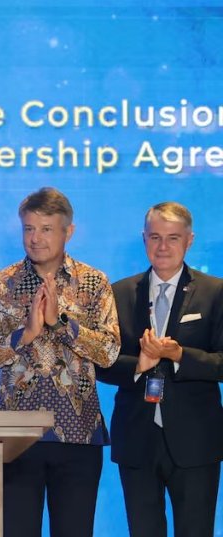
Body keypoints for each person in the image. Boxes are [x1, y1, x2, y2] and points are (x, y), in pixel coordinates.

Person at [0, 186, 120, 537]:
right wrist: (24, 335)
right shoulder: (1, 285)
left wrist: (61, 324)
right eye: (29, 229)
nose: (35, 239)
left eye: (46, 229)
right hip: (17, 436)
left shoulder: (94, 283)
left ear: (69, 232)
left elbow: (110, 351)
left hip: (78, 435)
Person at [96, 202, 223, 537]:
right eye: (155, 237)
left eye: (173, 238)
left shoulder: (215, 292)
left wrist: (180, 354)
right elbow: (101, 363)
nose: (163, 247)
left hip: (196, 442)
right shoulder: (119, 293)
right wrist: (139, 364)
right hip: (137, 439)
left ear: (189, 240)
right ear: (144, 239)